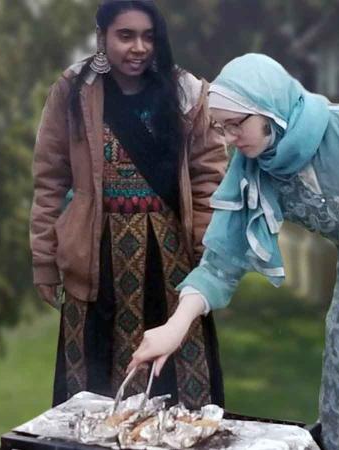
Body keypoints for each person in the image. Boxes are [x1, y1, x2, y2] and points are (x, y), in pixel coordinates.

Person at [130, 53, 339, 450]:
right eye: (223, 127)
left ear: (271, 108)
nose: (231, 138)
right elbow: (220, 263)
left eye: (238, 124)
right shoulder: (256, 166)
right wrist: (174, 327)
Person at [29, 0, 227, 409]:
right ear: (102, 37)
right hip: (94, 254)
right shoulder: (72, 91)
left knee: (178, 379)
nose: (138, 47)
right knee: (92, 390)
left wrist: (210, 257)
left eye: (148, 37)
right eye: (125, 35)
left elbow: (209, 176)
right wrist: (45, 261)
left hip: (171, 258)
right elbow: (50, 179)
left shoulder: (184, 92)